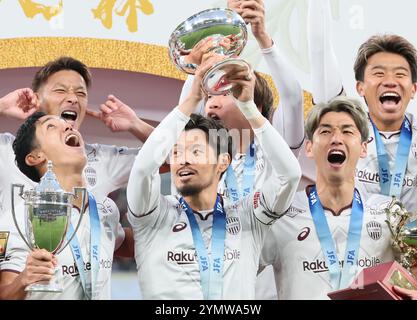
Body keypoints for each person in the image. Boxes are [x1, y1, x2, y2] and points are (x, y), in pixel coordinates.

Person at [126, 56, 301, 299]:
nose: (183, 160)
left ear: (222, 163)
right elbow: (143, 169)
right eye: (176, 152)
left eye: (196, 151)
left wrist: (249, 106)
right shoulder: (153, 217)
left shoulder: (248, 218)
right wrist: (191, 100)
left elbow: (290, 175)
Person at [178, 0, 305, 300]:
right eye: (209, 94)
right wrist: (207, 54)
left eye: (225, 92)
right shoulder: (201, 165)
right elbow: (183, 113)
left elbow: (293, 99)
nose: (212, 101)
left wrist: (262, 37)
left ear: (254, 104)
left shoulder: (276, 156)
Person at [261, 96, 417, 299]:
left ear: (363, 148)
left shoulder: (390, 213)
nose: (336, 138)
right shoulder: (281, 214)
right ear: (308, 147)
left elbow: (412, 273)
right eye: (325, 131)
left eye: (347, 131)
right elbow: (234, 270)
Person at [0, 112, 125, 299]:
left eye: (66, 123)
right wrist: (24, 279)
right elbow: (5, 292)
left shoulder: (106, 208)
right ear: (35, 157)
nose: (68, 126)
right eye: (51, 126)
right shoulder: (21, 218)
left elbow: (129, 244)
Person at [306, 0, 417, 212]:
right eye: (378, 73)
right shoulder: (344, 129)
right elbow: (319, 50)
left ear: (413, 89)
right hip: (355, 241)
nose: (390, 81)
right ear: (360, 87)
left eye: (400, 74)